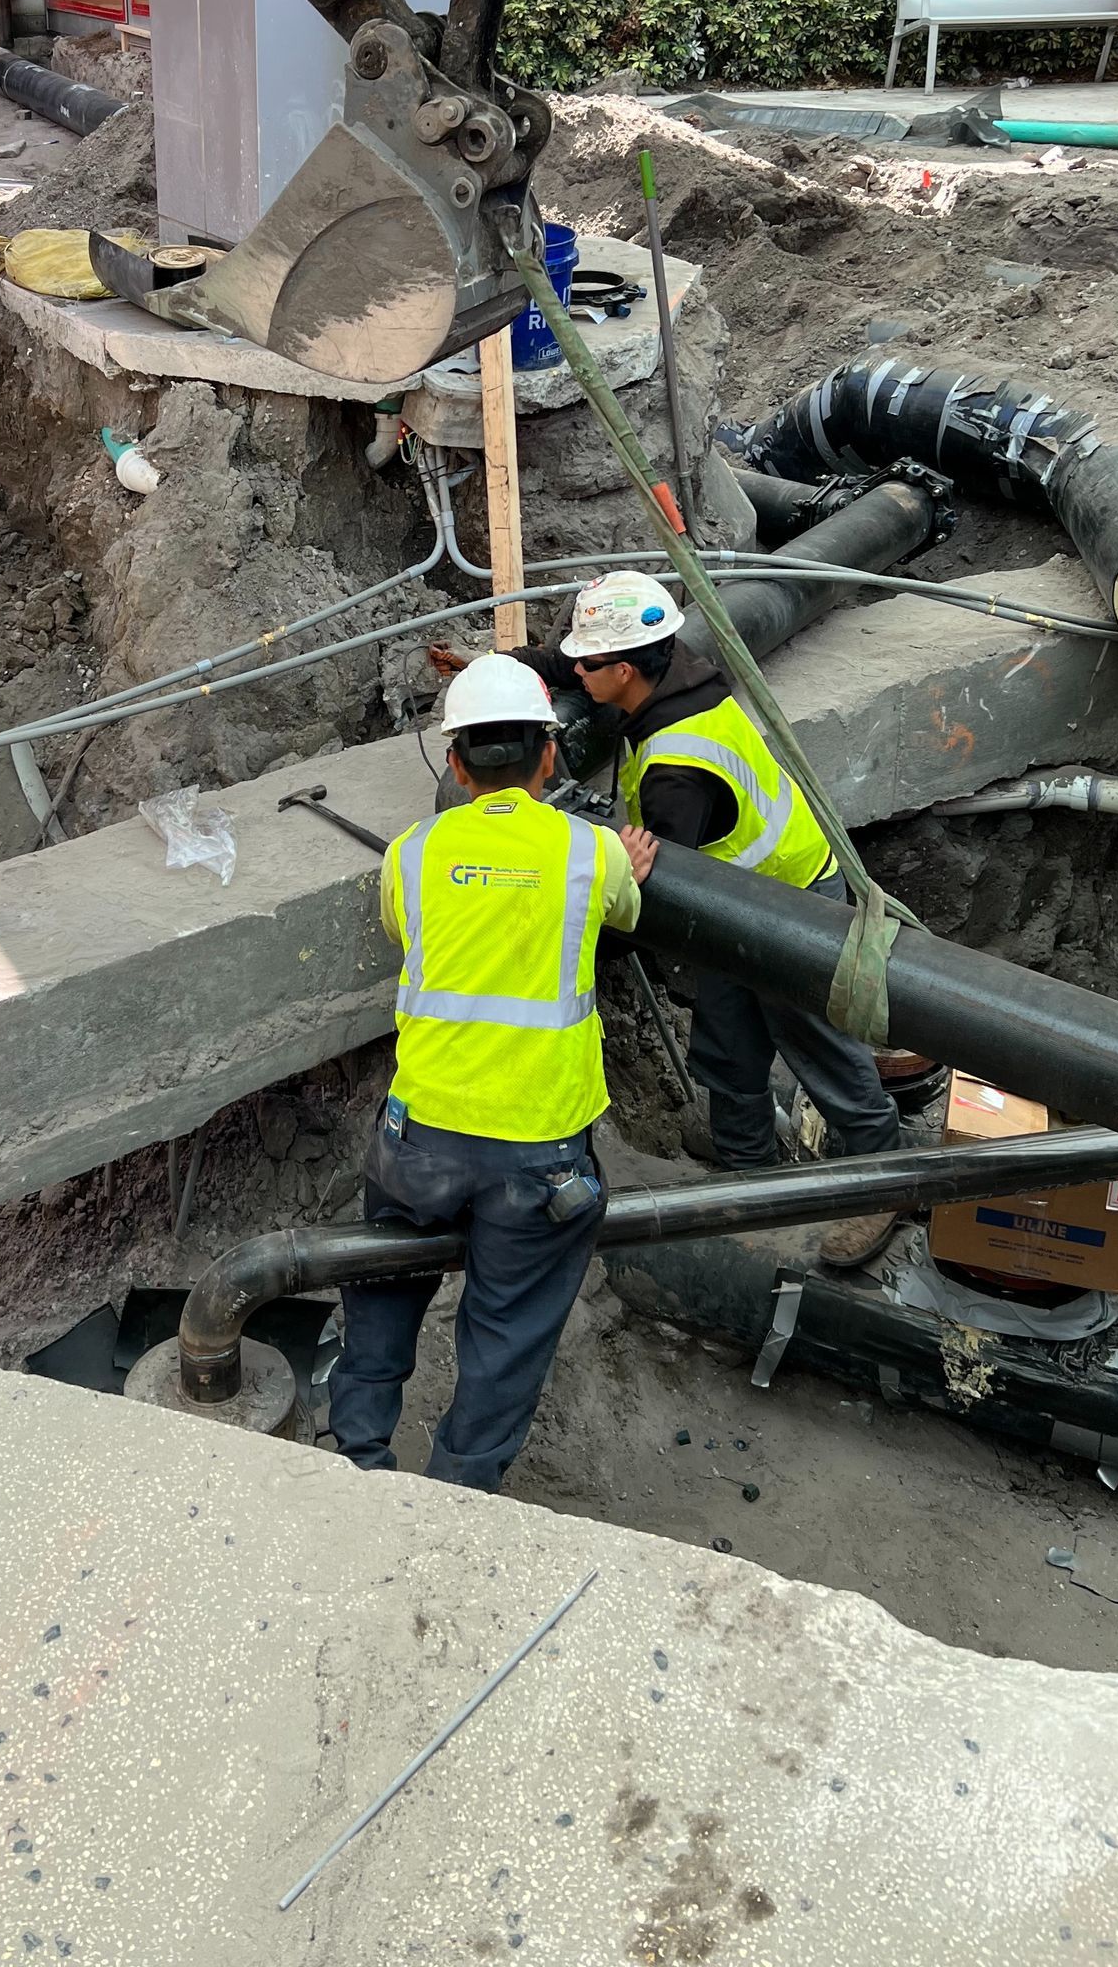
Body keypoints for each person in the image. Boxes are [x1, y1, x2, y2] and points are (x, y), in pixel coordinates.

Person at [326, 654, 651, 1490]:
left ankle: (358, 1460)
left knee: (381, 1287)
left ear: (457, 763)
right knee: (506, 1336)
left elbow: (413, 936)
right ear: (550, 757)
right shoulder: (591, 853)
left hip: (419, 1136)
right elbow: (622, 916)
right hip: (538, 1150)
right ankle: (456, 1495)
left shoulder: (412, 853)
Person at [551, 570, 901, 1267]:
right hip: (740, 905)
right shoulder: (680, 675)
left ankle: (883, 1176)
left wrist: (598, 893)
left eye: (585, 664)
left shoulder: (677, 772)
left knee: (822, 1051)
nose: (574, 673)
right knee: (727, 1037)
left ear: (624, 671)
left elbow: (657, 900)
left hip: (789, 914)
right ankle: (749, 1166)